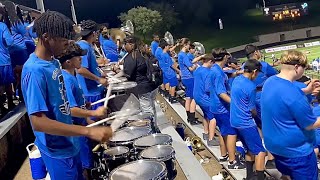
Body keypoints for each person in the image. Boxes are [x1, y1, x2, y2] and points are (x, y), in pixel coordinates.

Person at [21, 11, 112, 180]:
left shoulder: (54, 62)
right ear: (47, 37)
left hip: (71, 143)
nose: (68, 44)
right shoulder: (34, 71)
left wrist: (88, 116)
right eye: (64, 40)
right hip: (57, 151)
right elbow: (38, 122)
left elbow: (61, 105)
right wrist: (87, 132)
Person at [261, 50, 320, 180]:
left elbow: (284, 94)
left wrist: (307, 90)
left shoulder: (270, 82)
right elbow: (310, 125)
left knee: (286, 176)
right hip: (297, 153)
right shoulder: (294, 95)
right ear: (297, 67)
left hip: (276, 148)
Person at [57, 41, 108, 178]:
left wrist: (88, 118)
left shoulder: (72, 77)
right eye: (78, 57)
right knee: (83, 168)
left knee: (88, 163)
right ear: (68, 62)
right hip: (75, 133)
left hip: (81, 127)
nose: (81, 59)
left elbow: (78, 106)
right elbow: (71, 110)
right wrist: (94, 113)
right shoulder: (66, 79)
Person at [230, 59, 266, 180]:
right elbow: (252, 109)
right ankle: (260, 177)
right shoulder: (251, 86)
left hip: (235, 121)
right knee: (260, 152)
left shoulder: (237, 80)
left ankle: (250, 176)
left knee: (249, 150)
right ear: (254, 71)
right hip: (245, 122)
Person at [210, 48, 245, 169]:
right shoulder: (218, 72)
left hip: (215, 107)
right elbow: (221, 93)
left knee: (223, 131)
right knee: (231, 133)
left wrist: (237, 73)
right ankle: (232, 161)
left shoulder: (215, 68)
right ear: (225, 57)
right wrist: (235, 103)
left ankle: (224, 155)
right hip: (222, 108)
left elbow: (225, 76)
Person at [244, 44, 277, 167]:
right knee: (269, 127)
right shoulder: (264, 65)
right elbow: (277, 77)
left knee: (261, 128)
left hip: (251, 100)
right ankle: (271, 157)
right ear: (256, 52)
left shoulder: (244, 66)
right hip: (263, 98)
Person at [123, 36, 158, 131]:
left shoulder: (131, 57)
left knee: (146, 109)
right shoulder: (142, 53)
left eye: (125, 44)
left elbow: (128, 74)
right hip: (152, 84)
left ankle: (151, 130)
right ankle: (155, 125)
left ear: (130, 44)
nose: (124, 47)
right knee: (152, 107)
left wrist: (119, 70)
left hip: (143, 87)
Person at [76, 20, 108, 114]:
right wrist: (98, 79)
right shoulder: (83, 47)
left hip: (93, 90)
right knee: (96, 122)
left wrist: (100, 73)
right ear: (94, 33)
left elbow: (88, 65)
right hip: (90, 93)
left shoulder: (87, 46)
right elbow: (81, 70)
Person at [193, 54, 218, 146]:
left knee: (206, 115)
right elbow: (208, 88)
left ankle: (206, 132)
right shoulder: (208, 73)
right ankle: (211, 139)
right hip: (205, 98)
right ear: (210, 62)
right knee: (213, 118)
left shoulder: (198, 70)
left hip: (197, 96)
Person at [177, 38, 200, 125]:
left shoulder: (179, 55)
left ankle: (189, 117)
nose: (188, 47)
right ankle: (192, 118)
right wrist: (195, 65)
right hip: (189, 78)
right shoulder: (184, 55)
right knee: (194, 98)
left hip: (184, 78)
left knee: (188, 98)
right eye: (188, 45)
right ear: (185, 45)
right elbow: (190, 68)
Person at [0, 19, 14, 116]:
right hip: (3, 60)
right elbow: (9, 42)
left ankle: (1, 107)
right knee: (8, 83)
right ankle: (10, 102)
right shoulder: (2, 26)